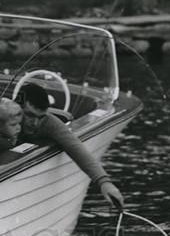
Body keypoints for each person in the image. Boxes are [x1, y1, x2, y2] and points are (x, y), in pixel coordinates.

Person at [16, 81, 124, 209]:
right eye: (30, 115)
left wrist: (104, 182)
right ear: (16, 107)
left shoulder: (49, 122)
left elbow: (75, 147)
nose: (35, 123)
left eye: (40, 117)